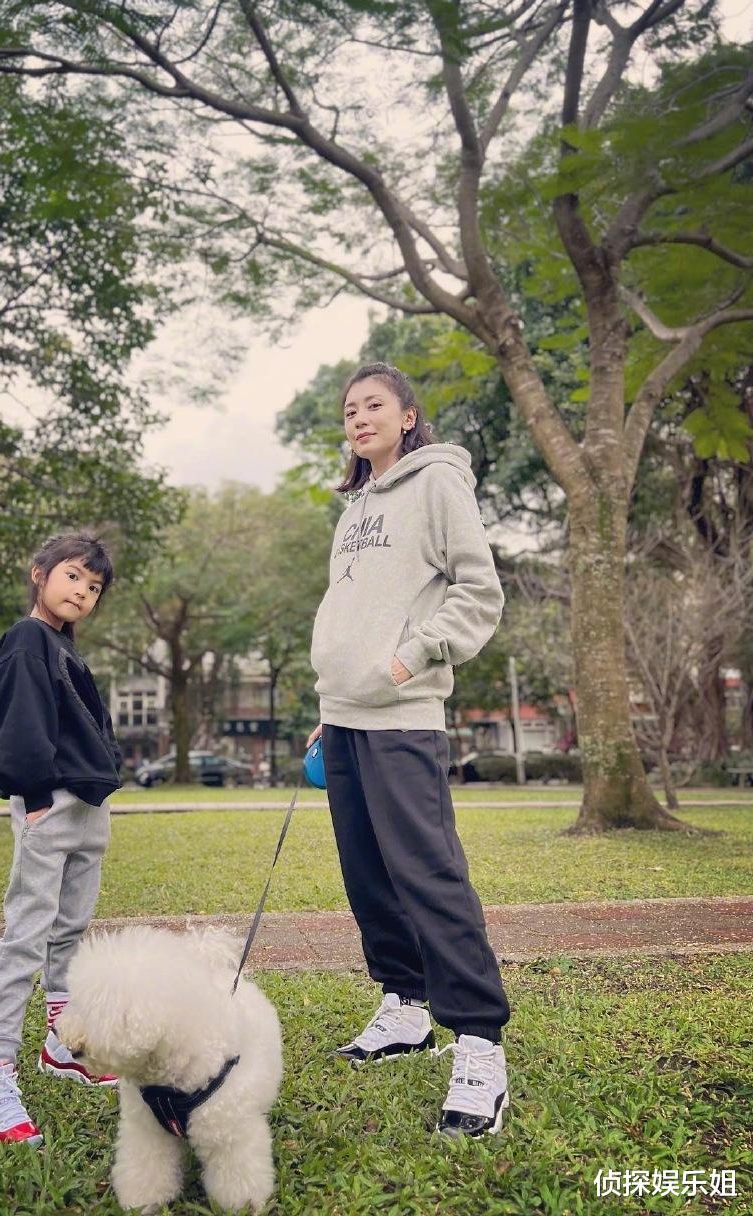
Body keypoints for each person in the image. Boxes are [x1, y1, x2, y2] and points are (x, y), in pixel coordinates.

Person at [307, 363, 511, 1139]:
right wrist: (331, 704)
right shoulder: (355, 505)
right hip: (344, 717)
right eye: (349, 410)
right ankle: (405, 1008)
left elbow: (478, 591)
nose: (359, 418)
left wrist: (409, 659)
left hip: (403, 713)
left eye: (373, 406)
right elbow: (350, 613)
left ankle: (480, 1044)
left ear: (407, 417)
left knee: (428, 875)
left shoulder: (437, 484)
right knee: (368, 877)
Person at [0, 532, 123, 1152]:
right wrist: (33, 795)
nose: (82, 591)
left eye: (94, 586)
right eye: (73, 576)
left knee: (71, 930)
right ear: (40, 573)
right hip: (49, 804)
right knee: (26, 936)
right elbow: (18, 722)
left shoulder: (64, 647)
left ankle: (64, 1044)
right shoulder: (26, 639)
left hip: (88, 808)